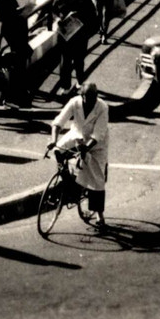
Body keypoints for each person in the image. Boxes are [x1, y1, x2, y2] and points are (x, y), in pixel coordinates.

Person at [47, 82, 110, 228]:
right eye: (88, 97)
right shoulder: (74, 102)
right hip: (77, 136)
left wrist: (85, 149)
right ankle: (69, 183)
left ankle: (100, 217)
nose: (92, 101)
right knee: (58, 150)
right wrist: (53, 140)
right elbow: (58, 123)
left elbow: (98, 134)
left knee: (97, 179)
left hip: (96, 145)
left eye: (94, 97)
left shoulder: (102, 107)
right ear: (82, 96)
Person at [0, 0, 33, 108]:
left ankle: (19, 90)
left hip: (14, 33)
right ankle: (16, 93)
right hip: (13, 33)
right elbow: (6, 17)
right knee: (18, 62)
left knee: (21, 59)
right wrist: (19, 12)